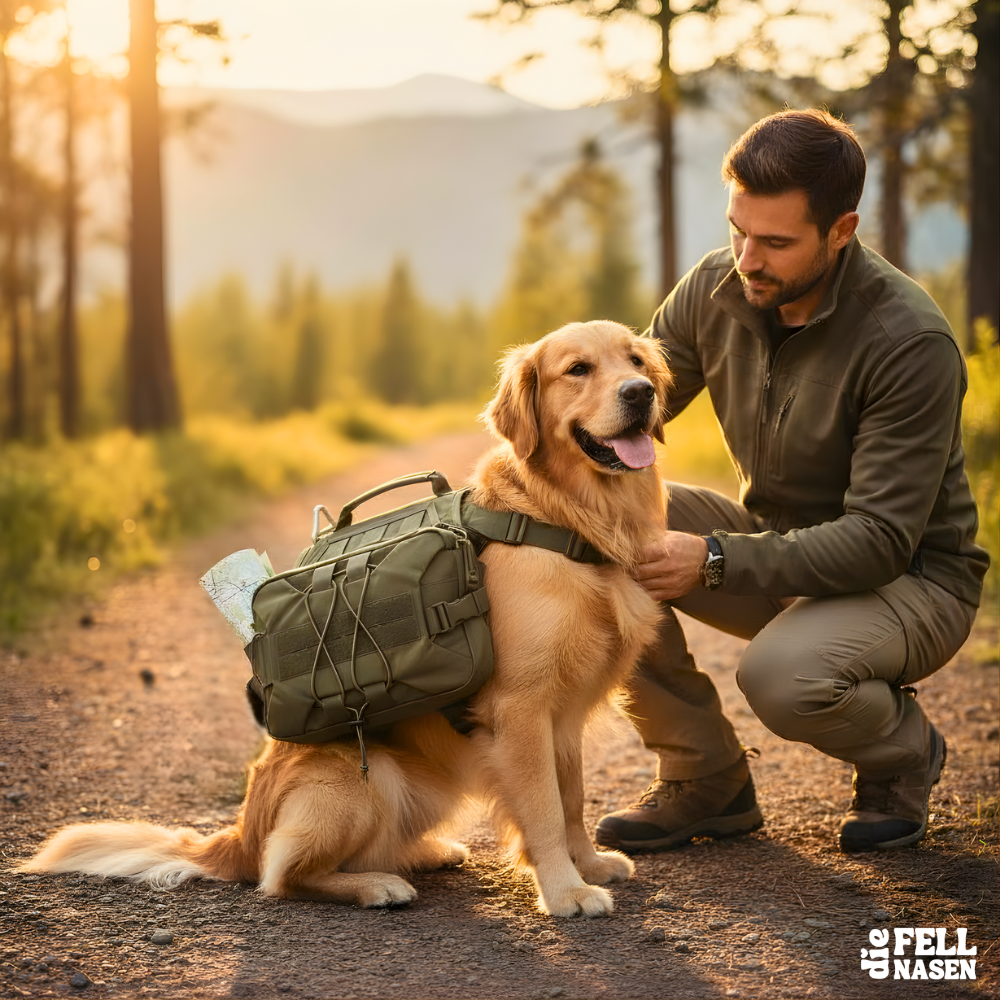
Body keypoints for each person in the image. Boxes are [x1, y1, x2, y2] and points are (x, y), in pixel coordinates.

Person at [594, 109, 989, 855]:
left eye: (776, 243)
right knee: (592, 532)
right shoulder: (716, 288)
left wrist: (716, 559)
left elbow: (878, 541)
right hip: (777, 544)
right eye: (738, 231)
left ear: (842, 231)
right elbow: (627, 405)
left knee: (782, 676)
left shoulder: (908, 342)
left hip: (910, 579)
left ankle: (903, 755)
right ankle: (706, 777)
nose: (747, 259)